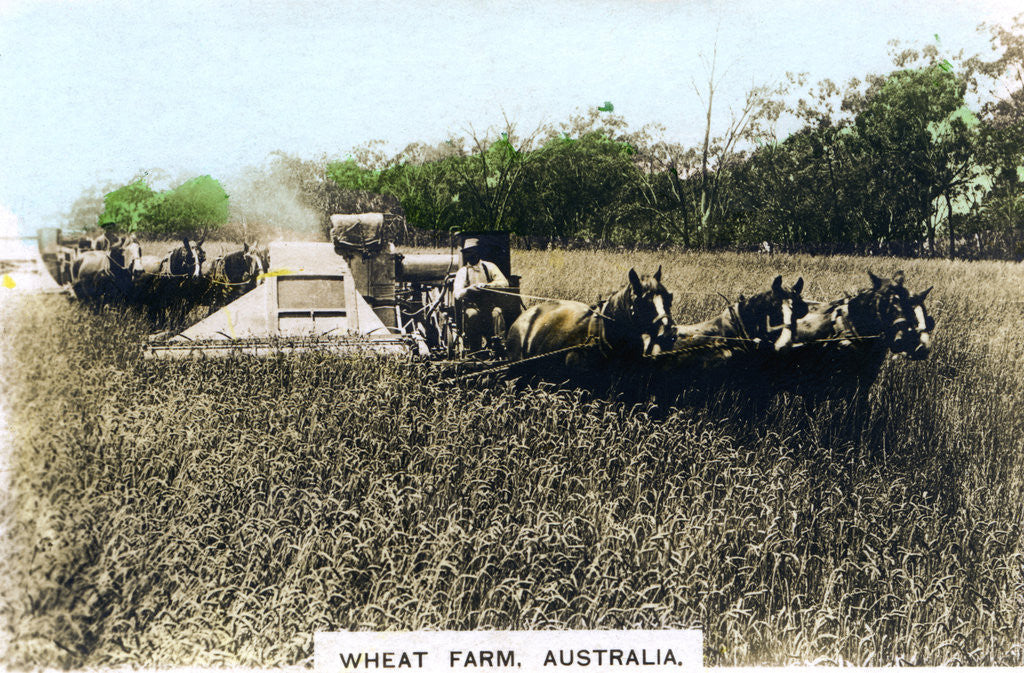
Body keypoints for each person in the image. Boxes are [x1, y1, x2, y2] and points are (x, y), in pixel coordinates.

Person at [452, 237, 509, 355]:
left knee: (497, 313)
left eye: (473, 252)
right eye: (468, 253)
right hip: (471, 307)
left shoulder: (489, 267)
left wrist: (488, 286)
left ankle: (497, 346)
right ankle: (475, 349)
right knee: (473, 315)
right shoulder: (463, 272)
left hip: (489, 306)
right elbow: (457, 294)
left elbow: (505, 283)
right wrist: (469, 289)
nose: (470, 255)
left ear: (478, 252)